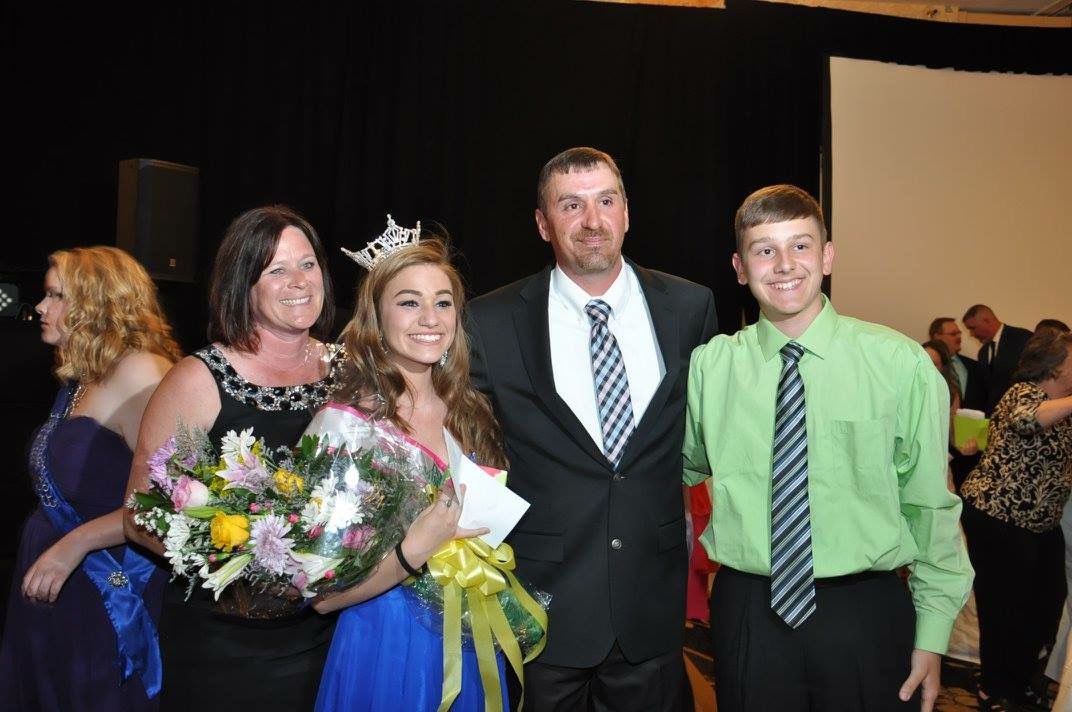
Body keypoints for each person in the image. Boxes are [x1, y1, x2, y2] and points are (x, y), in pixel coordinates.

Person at [683, 184, 972, 712]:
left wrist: (932, 633)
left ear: (828, 255)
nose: (785, 264)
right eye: (764, 249)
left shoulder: (900, 364)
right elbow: (672, 467)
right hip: (750, 606)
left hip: (864, 608)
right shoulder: (711, 366)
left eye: (801, 245)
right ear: (740, 267)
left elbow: (930, 504)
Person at [467, 147, 718, 711]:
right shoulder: (490, 320)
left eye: (606, 201)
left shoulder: (689, 307)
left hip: (650, 609)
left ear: (627, 212)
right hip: (540, 609)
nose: (592, 220)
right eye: (571, 205)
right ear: (542, 223)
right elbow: (469, 448)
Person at [124, 205, 344, 711]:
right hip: (226, 643)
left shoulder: (349, 369)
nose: (299, 282)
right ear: (243, 283)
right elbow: (139, 511)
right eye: (277, 270)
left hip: (332, 630)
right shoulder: (199, 380)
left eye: (308, 265)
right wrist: (247, 569)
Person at [311, 221, 511, 711]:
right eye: (408, 302)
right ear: (376, 316)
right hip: (386, 641)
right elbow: (321, 594)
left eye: (443, 302)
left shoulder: (470, 412)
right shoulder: (346, 426)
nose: (430, 318)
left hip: (469, 632)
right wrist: (412, 551)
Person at [0, 246, 181, 711]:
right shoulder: (81, 376)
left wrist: (73, 544)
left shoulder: (142, 371)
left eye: (57, 296)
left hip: (104, 587)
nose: (41, 307)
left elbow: (171, 500)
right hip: (60, 586)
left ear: (102, 305)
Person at [960, 329, 1072, 711]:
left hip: (1041, 523)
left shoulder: (1064, 406)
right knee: (1003, 604)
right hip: (998, 516)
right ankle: (995, 685)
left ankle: (1020, 676)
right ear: (1055, 367)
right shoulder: (1024, 394)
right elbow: (1028, 421)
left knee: (1047, 603)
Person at [962, 304, 1033, 414]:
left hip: (1020, 414)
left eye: (973, 328)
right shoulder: (983, 352)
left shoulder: (1023, 338)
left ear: (987, 320)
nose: (971, 334)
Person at [928, 316, 985, 410]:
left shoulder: (974, 365)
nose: (959, 337)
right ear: (937, 337)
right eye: (953, 334)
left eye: (959, 333)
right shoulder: (924, 363)